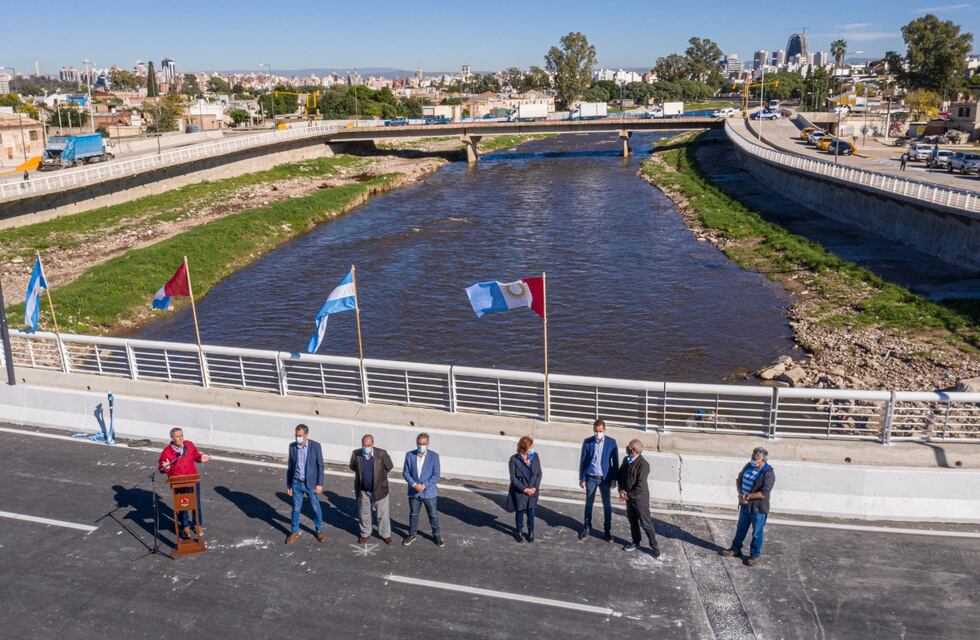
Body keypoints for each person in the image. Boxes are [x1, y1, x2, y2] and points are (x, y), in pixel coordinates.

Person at [721, 447, 776, 566]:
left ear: (763, 460)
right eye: (753, 457)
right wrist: (740, 493)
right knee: (741, 528)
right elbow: (740, 478)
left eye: (756, 458)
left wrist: (747, 496)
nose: (753, 460)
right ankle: (735, 549)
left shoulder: (768, 473)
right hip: (745, 505)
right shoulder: (748, 466)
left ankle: (754, 555)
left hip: (758, 508)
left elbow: (763, 493)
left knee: (756, 532)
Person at [158, 427, 211, 539]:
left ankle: (197, 525)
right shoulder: (167, 451)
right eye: (177, 437)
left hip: (192, 480)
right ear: (172, 438)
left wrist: (202, 458)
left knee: (196, 504)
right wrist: (165, 467)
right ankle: (185, 526)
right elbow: (162, 468)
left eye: (181, 435)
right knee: (183, 505)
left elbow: (196, 456)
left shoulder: (189, 445)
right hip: (178, 483)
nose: (181, 438)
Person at [578, 419, 619, 542]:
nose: (598, 433)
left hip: (604, 479)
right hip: (590, 477)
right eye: (596, 431)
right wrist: (582, 478)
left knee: (607, 505)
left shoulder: (611, 443)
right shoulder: (587, 442)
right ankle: (587, 527)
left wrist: (614, 479)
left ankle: (607, 531)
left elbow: (615, 462)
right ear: (593, 430)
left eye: (600, 431)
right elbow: (583, 461)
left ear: (604, 430)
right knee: (588, 503)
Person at [618, 439, 660, 557]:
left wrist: (628, 496)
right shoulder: (626, 460)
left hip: (639, 499)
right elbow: (621, 475)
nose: (627, 447)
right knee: (633, 522)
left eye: (629, 446)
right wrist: (621, 490)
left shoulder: (643, 465)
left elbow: (640, 486)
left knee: (646, 524)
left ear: (633, 450)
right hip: (628, 497)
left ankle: (654, 547)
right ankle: (636, 542)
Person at [349, 434, 393, 544]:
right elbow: (352, 467)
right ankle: (365, 533)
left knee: (382, 514)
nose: (366, 447)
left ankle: (385, 534)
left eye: (368, 445)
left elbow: (389, 466)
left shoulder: (381, 454)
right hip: (363, 490)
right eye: (364, 445)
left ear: (372, 444)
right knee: (364, 513)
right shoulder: (356, 454)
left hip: (380, 490)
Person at [402, 432, 443, 547]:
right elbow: (405, 473)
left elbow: (436, 475)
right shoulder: (409, 455)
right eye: (419, 444)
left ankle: (437, 535)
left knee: (433, 515)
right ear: (416, 443)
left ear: (428, 444)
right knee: (414, 514)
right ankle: (412, 534)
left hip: (429, 493)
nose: (421, 446)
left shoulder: (434, 456)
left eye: (423, 444)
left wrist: (424, 486)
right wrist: (414, 485)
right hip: (414, 492)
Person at [285, 424, 325, 544]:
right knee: (296, 509)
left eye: (300, 436)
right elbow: (290, 466)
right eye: (296, 435)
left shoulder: (315, 446)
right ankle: (294, 531)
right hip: (296, 483)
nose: (298, 438)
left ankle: (319, 530)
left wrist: (319, 483)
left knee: (315, 508)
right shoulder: (292, 447)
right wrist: (289, 484)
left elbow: (320, 466)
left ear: (306, 435)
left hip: (311, 484)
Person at [506, 435, 542, 543]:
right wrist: (525, 489)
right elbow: (513, 479)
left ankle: (531, 532)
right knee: (520, 513)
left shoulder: (535, 456)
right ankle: (519, 531)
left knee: (531, 512)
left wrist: (535, 487)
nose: (532, 450)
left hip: (533, 492)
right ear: (522, 449)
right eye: (530, 448)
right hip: (520, 492)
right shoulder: (513, 460)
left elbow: (539, 473)